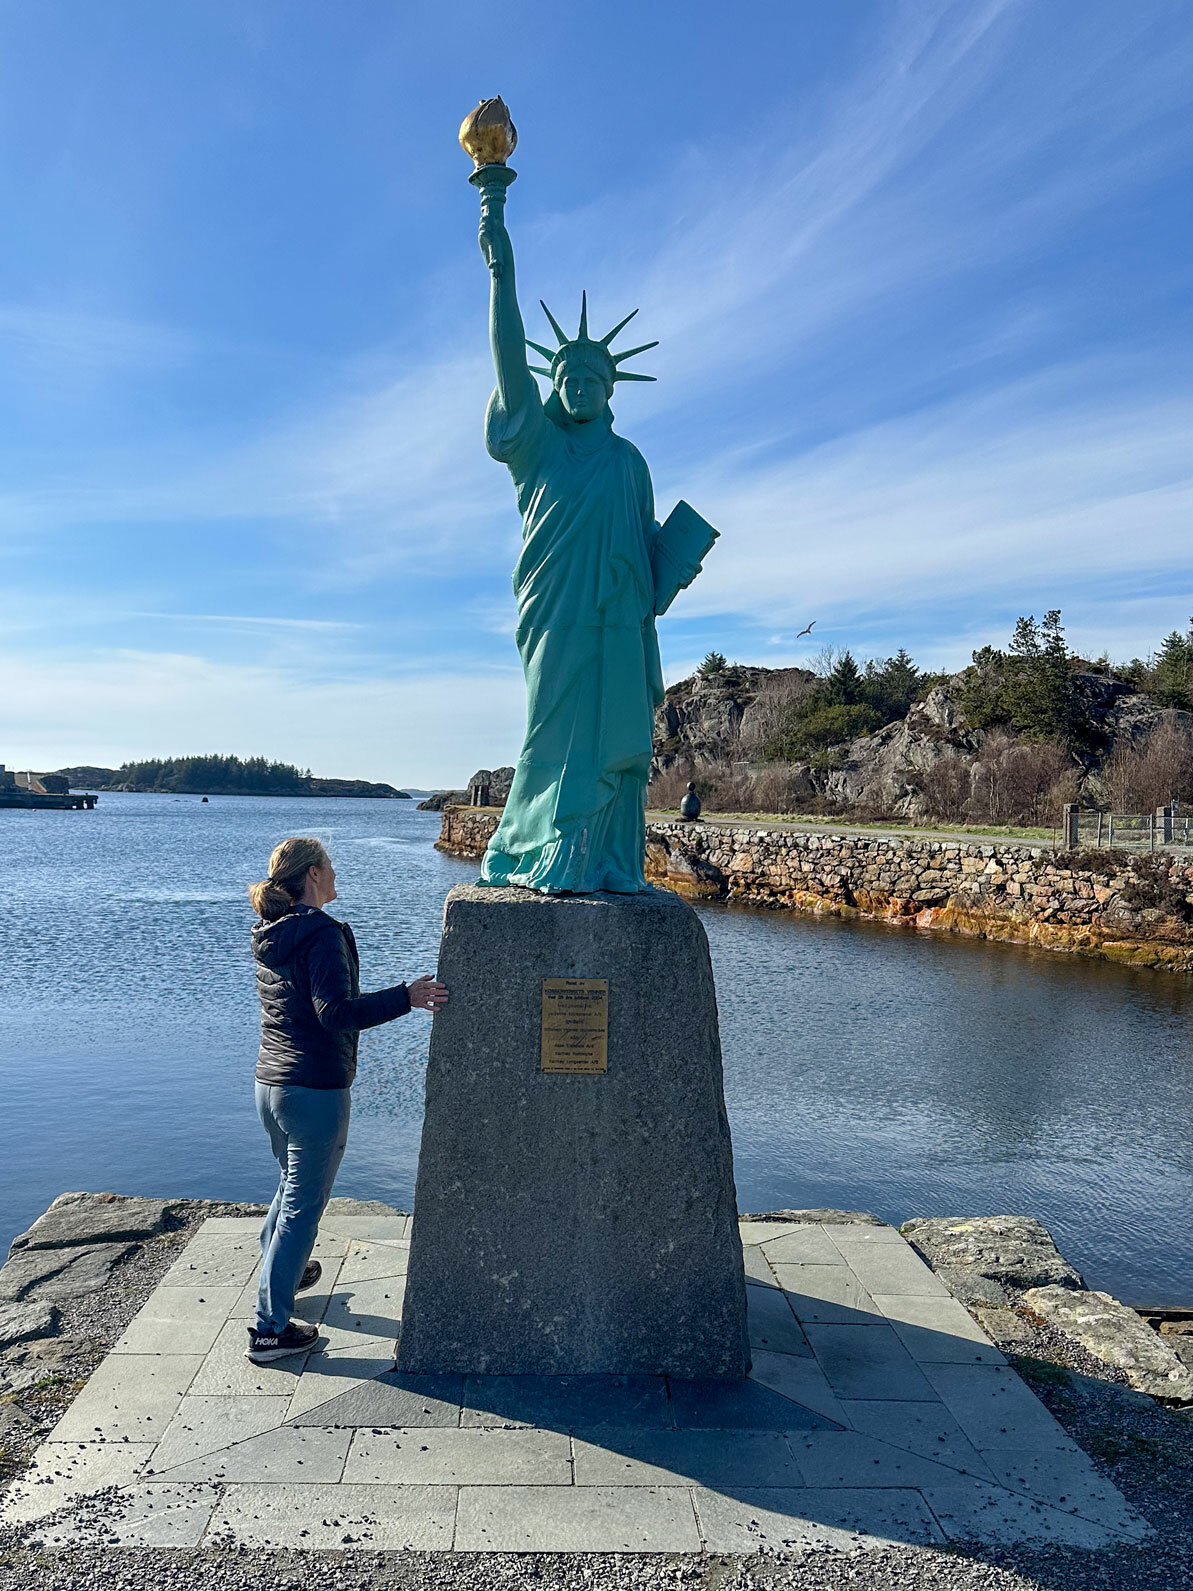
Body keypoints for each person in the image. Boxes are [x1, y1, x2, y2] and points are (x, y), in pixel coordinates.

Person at [245, 836, 447, 1363]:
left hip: (271, 1086)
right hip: (313, 1090)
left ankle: (280, 1273)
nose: (336, 874)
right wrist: (408, 997)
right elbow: (333, 1011)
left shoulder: (271, 931)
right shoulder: (321, 933)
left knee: (290, 1190)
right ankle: (269, 1329)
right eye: (330, 866)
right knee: (301, 1207)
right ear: (312, 874)